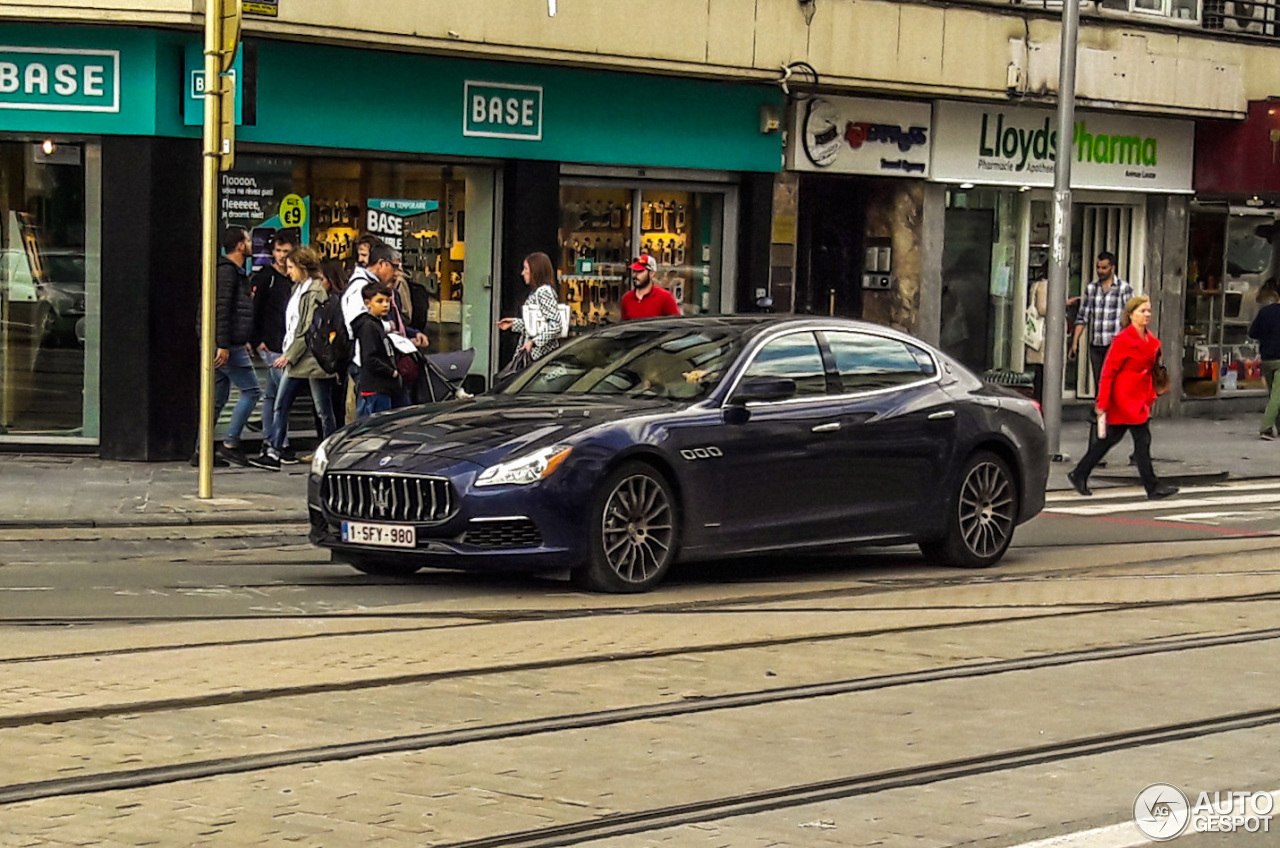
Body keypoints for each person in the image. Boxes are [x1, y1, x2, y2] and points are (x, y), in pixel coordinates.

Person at [1067, 296, 1178, 500]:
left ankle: (1079, 473)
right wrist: (1101, 403)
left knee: (1110, 439)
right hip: (1125, 396)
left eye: (1149, 311)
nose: (1147, 315)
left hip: (1139, 394)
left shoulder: (1149, 339)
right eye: (1142, 311)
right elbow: (1108, 372)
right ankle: (1152, 487)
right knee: (1142, 439)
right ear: (1131, 314)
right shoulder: (1123, 340)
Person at [252, 247, 337, 471]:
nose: (288, 272)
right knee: (290, 404)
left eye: (291, 267)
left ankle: (281, 451)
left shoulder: (315, 291)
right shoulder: (298, 289)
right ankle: (275, 451)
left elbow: (308, 328)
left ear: (301, 267)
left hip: (309, 358)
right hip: (298, 356)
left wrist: (289, 356)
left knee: (320, 407)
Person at [191, 226, 262, 468]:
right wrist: (222, 344)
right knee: (252, 391)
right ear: (240, 246)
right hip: (227, 344)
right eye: (248, 240)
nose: (251, 244)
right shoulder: (228, 273)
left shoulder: (230, 272)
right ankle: (230, 444)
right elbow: (220, 310)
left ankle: (202, 451)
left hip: (228, 342)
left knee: (216, 399)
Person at [250, 231, 299, 465]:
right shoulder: (266, 277)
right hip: (270, 343)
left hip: (284, 343)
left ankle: (271, 439)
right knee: (282, 394)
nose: (281, 256)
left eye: (285, 252)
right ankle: (279, 443)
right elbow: (254, 308)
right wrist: (256, 338)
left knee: (273, 394)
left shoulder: (293, 279)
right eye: (278, 251)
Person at [1070, 252, 1134, 387]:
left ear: (1112, 268)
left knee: (1115, 383)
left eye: (1104, 268)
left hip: (1116, 345)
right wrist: (1075, 343)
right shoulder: (1091, 289)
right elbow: (1082, 317)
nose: (1100, 271)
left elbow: (1132, 317)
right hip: (1097, 344)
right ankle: (1100, 407)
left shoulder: (1124, 289)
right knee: (1100, 383)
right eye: (1098, 267)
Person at [496, 252, 564, 373]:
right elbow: (537, 324)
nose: (523, 273)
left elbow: (555, 324)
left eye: (526, 268)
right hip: (536, 357)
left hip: (539, 358)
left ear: (535, 270)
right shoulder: (538, 291)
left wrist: (534, 342)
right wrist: (514, 324)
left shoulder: (543, 292)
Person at [351, 281, 402, 418]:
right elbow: (369, 358)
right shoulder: (368, 327)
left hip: (381, 387)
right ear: (368, 303)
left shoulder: (377, 324)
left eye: (387, 301)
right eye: (380, 301)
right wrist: (391, 372)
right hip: (375, 388)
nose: (385, 305)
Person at [320, 259, 351, 429]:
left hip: (334, 361)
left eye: (322, 279)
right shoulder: (330, 300)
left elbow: (337, 333)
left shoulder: (335, 302)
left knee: (332, 405)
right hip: (332, 359)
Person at [1249, 282, 1280, 440]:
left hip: (1267, 359)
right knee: (1277, 395)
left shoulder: (1265, 312)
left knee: (1275, 395)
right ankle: (1266, 428)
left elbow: (1252, 333)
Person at [621, 254, 681, 320]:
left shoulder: (665, 297)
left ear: (651, 273)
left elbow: (676, 324)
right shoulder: (627, 298)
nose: (635, 275)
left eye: (640, 271)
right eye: (634, 271)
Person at [1024, 277, 1048, 402]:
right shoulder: (1045, 285)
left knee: (1039, 372)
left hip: (1039, 333)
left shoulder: (1036, 284)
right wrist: (1064, 304)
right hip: (1043, 334)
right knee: (1042, 372)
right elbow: (1042, 308)